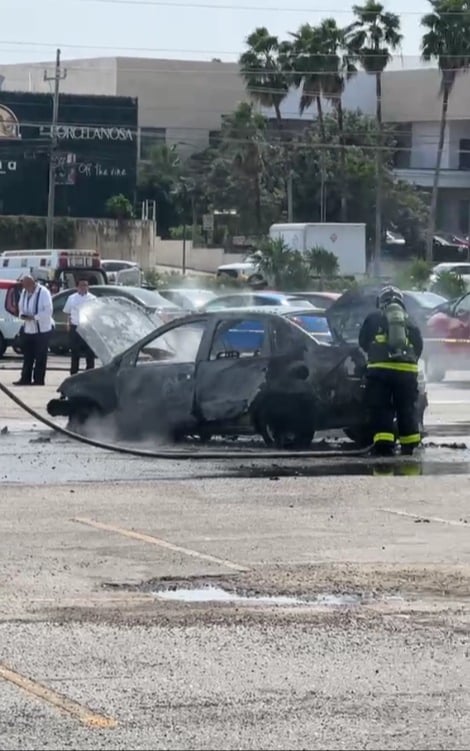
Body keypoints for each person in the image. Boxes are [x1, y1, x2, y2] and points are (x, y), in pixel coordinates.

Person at [358, 285, 423, 457]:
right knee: (406, 408)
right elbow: (419, 346)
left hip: (380, 372)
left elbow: (362, 342)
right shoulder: (410, 320)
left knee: (382, 408)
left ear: (381, 302)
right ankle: (409, 446)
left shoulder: (373, 317)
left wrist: (374, 355)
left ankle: (384, 446)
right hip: (407, 372)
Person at [14, 274, 54, 386]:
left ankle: (38, 380)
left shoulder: (44, 292)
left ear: (32, 283)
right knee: (28, 355)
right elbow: (21, 306)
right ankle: (25, 378)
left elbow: (48, 310)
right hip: (28, 329)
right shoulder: (24, 292)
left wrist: (34, 317)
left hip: (42, 330)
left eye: (26, 285)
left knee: (40, 356)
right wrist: (22, 315)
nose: (24, 288)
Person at [63, 279, 96, 375]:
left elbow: (96, 314)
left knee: (89, 352)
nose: (83, 287)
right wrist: (67, 324)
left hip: (88, 327)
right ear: (77, 287)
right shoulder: (72, 298)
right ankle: (74, 372)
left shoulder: (93, 298)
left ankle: (89, 372)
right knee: (75, 352)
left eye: (85, 285)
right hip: (75, 326)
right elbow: (67, 312)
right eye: (81, 285)